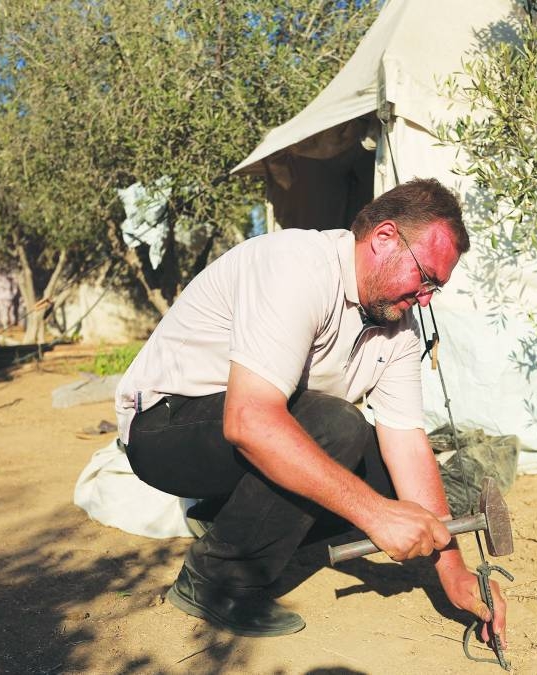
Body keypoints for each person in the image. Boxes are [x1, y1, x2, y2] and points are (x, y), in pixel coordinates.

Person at [115, 178, 508, 643]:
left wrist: (454, 571)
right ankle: (216, 580)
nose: (425, 298)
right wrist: (377, 516)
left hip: (233, 437)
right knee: (339, 427)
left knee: (382, 472)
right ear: (383, 239)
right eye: (425, 277)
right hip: (163, 428)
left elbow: (406, 442)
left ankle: (227, 517)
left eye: (435, 288)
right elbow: (249, 421)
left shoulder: (400, 328)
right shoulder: (296, 266)